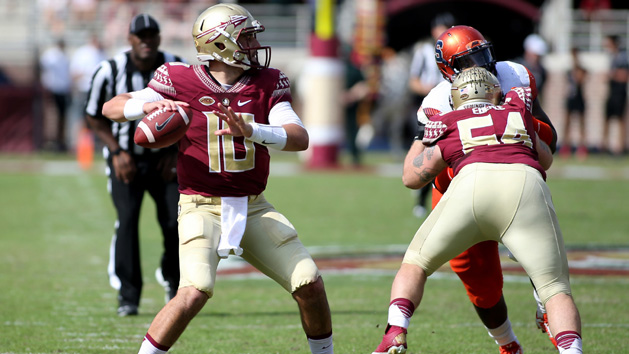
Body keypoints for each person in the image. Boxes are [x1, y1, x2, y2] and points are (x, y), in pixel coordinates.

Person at [101, 4, 334, 354]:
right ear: (221, 43)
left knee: (309, 283)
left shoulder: (267, 83)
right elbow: (111, 108)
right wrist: (145, 106)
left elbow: (299, 137)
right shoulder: (178, 79)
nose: (254, 44)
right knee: (194, 291)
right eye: (247, 37)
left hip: (253, 207)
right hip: (200, 205)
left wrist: (252, 129)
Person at [372, 67, 583, 354]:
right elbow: (545, 159)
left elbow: (412, 177)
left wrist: (423, 141)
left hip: (470, 186)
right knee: (555, 290)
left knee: (415, 264)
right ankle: (572, 350)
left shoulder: (449, 120)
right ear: (496, 92)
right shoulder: (518, 110)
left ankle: (395, 330)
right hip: (524, 185)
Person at [398, 25, 559, 353]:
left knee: (548, 269)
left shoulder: (514, 76)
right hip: (458, 189)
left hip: (514, 177)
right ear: (449, 71)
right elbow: (414, 173)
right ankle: (508, 344)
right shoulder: (437, 103)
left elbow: (549, 141)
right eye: (469, 60)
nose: (482, 66)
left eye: (483, 54)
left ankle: (543, 291)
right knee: (481, 286)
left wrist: (518, 118)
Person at [85, 14, 185, 317]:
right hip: (125, 160)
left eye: (151, 35)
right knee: (127, 221)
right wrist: (116, 152)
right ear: (129, 39)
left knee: (174, 223)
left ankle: (173, 281)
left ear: (159, 38)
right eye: (140, 36)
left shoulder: (176, 67)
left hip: (165, 162)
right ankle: (128, 295)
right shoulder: (109, 70)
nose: (146, 41)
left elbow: (191, 115)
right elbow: (93, 116)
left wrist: (174, 151)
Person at [407, 13, 455, 218]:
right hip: (432, 110)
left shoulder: (456, 48)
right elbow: (413, 81)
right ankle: (422, 201)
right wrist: (431, 90)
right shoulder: (425, 51)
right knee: (428, 155)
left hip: (455, 110)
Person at [40, 38, 72, 152]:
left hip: (62, 90)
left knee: (61, 116)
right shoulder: (50, 55)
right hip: (52, 89)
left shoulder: (64, 56)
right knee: (52, 115)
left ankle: (59, 140)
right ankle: (50, 140)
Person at [601, 34, 629, 155]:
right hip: (612, 91)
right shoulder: (612, 56)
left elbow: (624, 75)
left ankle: (621, 146)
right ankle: (604, 146)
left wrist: (612, 75)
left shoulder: (622, 57)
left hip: (620, 92)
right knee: (607, 118)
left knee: (620, 119)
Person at [560, 47, 588, 159]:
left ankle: (582, 147)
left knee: (581, 123)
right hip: (571, 97)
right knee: (567, 123)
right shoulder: (568, 70)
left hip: (579, 98)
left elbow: (580, 80)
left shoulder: (582, 70)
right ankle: (566, 146)